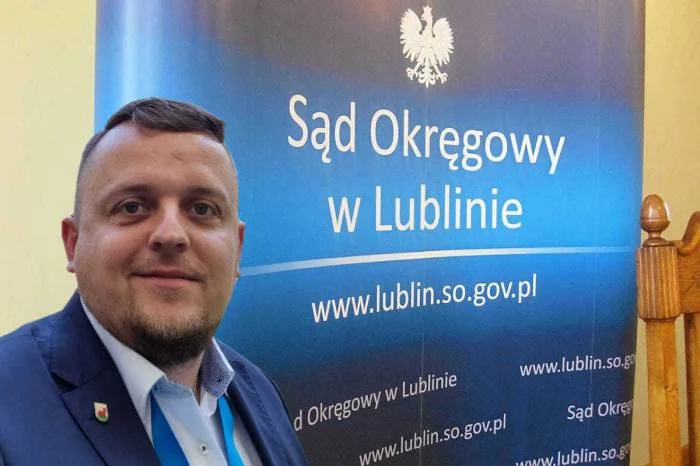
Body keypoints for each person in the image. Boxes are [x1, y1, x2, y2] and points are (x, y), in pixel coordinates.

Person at [0, 98, 308, 465]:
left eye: (202, 209)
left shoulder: (257, 390)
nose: (171, 234)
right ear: (73, 243)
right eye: (132, 207)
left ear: (237, 249)